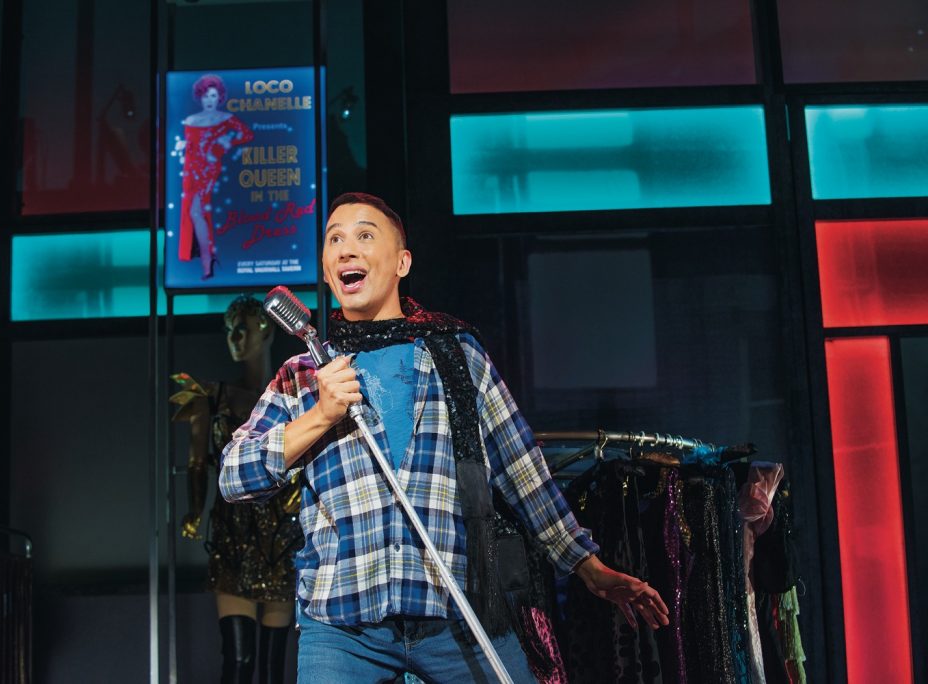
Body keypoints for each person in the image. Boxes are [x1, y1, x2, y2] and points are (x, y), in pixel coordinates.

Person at [219, 192, 669, 682]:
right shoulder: (302, 375)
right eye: (335, 240)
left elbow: (522, 470)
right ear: (327, 273)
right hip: (343, 627)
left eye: (365, 235)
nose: (347, 249)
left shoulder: (457, 355)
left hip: (457, 614)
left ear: (401, 262)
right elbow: (233, 477)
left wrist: (588, 566)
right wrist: (321, 415)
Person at [171, 296, 302, 683]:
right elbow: (198, 461)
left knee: (272, 666)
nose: (234, 337)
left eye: (241, 327)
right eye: (229, 330)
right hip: (232, 533)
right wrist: (195, 508)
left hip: (280, 534)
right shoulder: (207, 396)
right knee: (239, 660)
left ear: (265, 327)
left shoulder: (294, 395)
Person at [175, 74, 254, 280]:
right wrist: (182, 146)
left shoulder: (225, 118)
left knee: (197, 213)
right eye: (205, 96)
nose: (209, 100)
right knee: (192, 213)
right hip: (190, 171)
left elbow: (246, 134)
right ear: (200, 97)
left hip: (209, 170)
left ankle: (207, 260)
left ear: (219, 97)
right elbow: (190, 143)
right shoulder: (191, 120)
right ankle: (207, 260)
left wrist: (225, 143)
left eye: (213, 96)